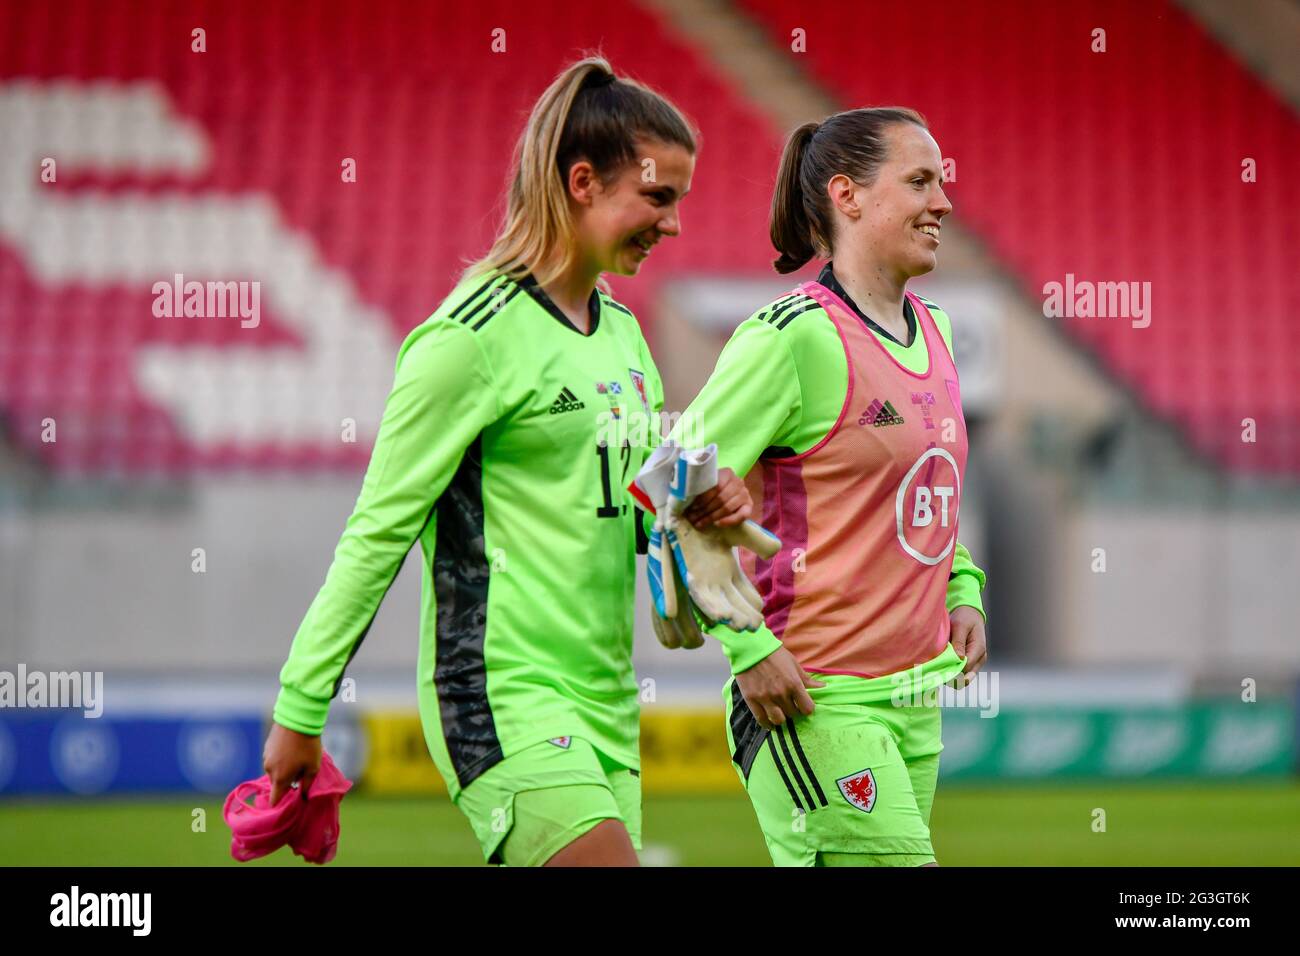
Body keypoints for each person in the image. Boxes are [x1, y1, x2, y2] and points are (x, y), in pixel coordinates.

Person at [260, 56, 751, 867]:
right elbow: (377, 533)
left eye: (679, 202)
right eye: (658, 197)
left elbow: (629, 509)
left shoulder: (626, 337)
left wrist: (700, 501)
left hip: (607, 706)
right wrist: (301, 707)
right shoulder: (469, 339)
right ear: (584, 182)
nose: (673, 224)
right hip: (499, 696)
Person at [667, 107, 989, 866]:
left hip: (915, 700)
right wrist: (747, 649)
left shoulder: (936, 330)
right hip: (815, 699)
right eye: (919, 181)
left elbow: (918, 490)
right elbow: (671, 489)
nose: (942, 202)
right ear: (847, 195)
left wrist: (962, 588)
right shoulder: (792, 336)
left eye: (940, 182)